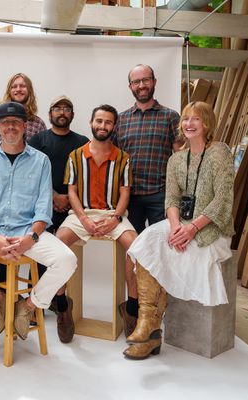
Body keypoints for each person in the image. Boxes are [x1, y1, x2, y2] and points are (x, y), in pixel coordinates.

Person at [0, 101, 77, 341]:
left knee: (67, 261)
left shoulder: (41, 161)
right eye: (6, 123)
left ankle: (28, 306)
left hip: (28, 232)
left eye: (16, 122)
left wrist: (31, 238)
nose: (11, 127)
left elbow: (43, 207)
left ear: (25, 126)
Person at [124, 101, 235, 360]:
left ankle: (149, 333)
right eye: (185, 119)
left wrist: (192, 229)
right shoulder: (175, 159)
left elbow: (222, 200)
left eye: (196, 119)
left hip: (211, 226)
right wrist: (176, 228)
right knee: (146, 243)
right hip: (181, 223)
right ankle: (147, 324)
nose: (189, 123)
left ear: (207, 124)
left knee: (175, 251)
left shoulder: (220, 153)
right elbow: (171, 199)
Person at [56, 104, 138, 342]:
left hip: (113, 213)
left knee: (137, 249)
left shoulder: (123, 157)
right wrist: (82, 218)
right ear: (91, 123)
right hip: (82, 213)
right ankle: (63, 306)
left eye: (108, 122)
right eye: (99, 121)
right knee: (58, 244)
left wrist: (115, 219)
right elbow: (71, 191)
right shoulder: (76, 155)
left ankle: (131, 310)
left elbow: (125, 193)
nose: (103, 126)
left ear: (114, 126)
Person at [112, 64, 181, 330]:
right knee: (133, 253)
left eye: (145, 80)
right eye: (136, 82)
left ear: (154, 82)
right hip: (130, 197)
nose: (141, 85)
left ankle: (158, 310)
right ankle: (133, 307)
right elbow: (113, 161)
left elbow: (179, 156)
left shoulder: (170, 117)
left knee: (164, 252)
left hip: (162, 195)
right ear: (130, 86)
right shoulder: (122, 119)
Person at [28, 95, 88, 342]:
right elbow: (29, 174)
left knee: (61, 254)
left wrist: (69, 198)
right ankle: (42, 301)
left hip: (74, 207)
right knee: (39, 253)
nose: (62, 112)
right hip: (43, 204)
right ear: (50, 112)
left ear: (72, 114)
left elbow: (86, 177)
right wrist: (53, 196)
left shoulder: (83, 142)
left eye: (67, 108)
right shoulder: (38, 140)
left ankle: (60, 303)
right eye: (57, 108)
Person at [0, 73, 46, 141]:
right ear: (9, 91)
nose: (18, 89)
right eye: (14, 86)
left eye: (23, 86)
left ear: (29, 90)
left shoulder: (38, 124)